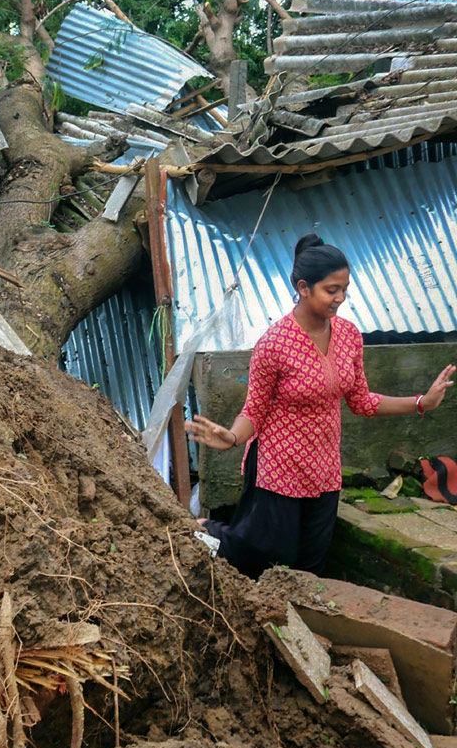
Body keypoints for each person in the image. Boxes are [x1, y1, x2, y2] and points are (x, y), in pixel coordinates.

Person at [187, 233, 454, 578]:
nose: (341, 298)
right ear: (303, 287)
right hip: (278, 468)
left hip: (324, 469)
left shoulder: (349, 335)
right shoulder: (274, 343)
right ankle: (208, 530)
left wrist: (422, 402)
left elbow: (362, 400)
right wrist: (233, 438)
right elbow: (254, 410)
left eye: (344, 288)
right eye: (332, 290)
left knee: (311, 564)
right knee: (264, 556)